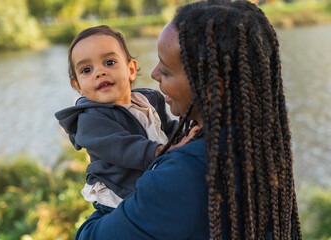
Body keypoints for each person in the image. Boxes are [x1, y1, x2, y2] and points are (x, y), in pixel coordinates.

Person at [75, 0, 303, 239]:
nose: (153, 74)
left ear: (212, 85)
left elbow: (89, 236)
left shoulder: (179, 175)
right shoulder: (259, 145)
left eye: (165, 69)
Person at [55, 25, 178, 212]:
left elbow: (166, 128)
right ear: (77, 85)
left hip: (151, 180)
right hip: (117, 197)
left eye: (109, 63)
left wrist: (186, 135)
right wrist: (161, 151)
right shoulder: (89, 120)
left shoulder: (147, 100)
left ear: (131, 70)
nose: (99, 72)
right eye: (87, 70)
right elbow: (123, 147)